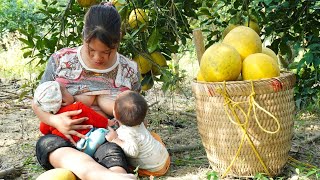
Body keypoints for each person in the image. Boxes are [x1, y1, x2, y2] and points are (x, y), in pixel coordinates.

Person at [32, 2, 140, 180]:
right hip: (63, 140)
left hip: (106, 139)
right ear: (84, 36)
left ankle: (117, 176)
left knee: (113, 153)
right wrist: (55, 121)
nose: (98, 58)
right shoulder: (61, 61)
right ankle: (103, 176)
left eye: (107, 51)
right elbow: (37, 104)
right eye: (92, 50)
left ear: (118, 39)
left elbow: (135, 114)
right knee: (50, 145)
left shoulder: (129, 70)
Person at [34, 80, 113, 156]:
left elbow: (43, 129)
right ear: (64, 101)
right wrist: (106, 123)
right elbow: (93, 117)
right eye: (67, 91)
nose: (70, 92)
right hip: (88, 139)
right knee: (103, 132)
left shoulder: (48, 120)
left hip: (69, 147)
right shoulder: (76, 107)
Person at [105, 91, 171, 177]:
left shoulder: (125, 132)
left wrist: (115, 140)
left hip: (154, 170)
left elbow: (132, 152)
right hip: (165, 160)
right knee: (154, 136)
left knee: (124, 158)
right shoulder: (139, 122)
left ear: (115, 114)